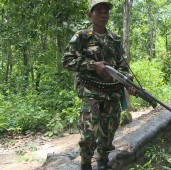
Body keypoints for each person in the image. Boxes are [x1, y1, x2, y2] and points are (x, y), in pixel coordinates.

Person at [61, 0, 136, 169]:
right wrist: (92, 65)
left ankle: (103, 162)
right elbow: (66, 61)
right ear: (90, 15)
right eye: (99, 11)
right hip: (90, 92)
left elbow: (123, 66)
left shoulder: (114, 39)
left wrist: (127, 82)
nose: (103, 14)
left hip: (112, 94)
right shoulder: (82, 36)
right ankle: (86, 164)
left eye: (106, 12)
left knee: (108, 133)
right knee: (88, 133)